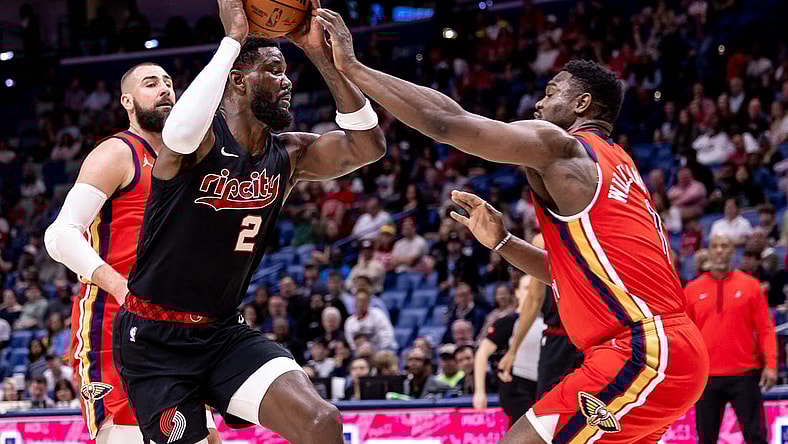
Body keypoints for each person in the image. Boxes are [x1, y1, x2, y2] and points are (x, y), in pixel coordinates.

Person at [312, 11, 708, 442]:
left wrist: (351, 67)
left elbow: (448, 123)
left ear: (581, 105)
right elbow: (571, 274)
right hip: (671, 350)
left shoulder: (562, 147)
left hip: (641, 350)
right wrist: (502, 241)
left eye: (551, 92)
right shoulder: (620, 164)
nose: (538, 104)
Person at [114, 1, 386, 442]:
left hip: (223, 332)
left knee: (321, 422)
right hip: (155, 341)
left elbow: (368, 145)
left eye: (285, 72)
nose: (287, 82)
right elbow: (177, 133)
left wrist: (322, 58)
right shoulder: (198, 139)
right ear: (238, 82)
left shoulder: (290, 153)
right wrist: (232, 41)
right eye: (275, 71)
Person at [43, 52, 221, 444]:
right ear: (127, 101)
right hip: (115, 317)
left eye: (169, 84)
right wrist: (123, 289)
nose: (164, 90)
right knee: (123, 436)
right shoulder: (118, 152)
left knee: (204, 437)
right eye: (151, 83)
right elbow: (60, 235)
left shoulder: (189, 162)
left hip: (175, 322)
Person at [684, 234, 777, 444]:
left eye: (724, 246)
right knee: (706, 439)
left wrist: (771, 365)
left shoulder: (751, 286)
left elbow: (766, 329)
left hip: (745, 375)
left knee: (756, 437)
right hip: (706, 379)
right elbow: (685, 338)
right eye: (715, 246)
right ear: (708, 250)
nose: (719, 251)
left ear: (733, 251)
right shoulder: (691, 290)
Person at [498, 256, 583, 400]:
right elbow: (533, 300)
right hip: (559, 337)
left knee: (601, 406)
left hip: (594, 336)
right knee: (549, 404)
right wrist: (513, 351)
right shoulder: (541, 241)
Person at [473, 275, 544, 425]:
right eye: (526, 288)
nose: (532, 291)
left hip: (542, 385)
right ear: (517, 292)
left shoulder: (549, 322)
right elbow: (482, 353)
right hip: (516, 386)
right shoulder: (508, 322)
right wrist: (479, 392)